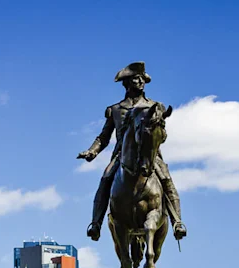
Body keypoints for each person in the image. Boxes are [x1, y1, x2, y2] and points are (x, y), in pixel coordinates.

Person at [78, 61, 186, 242]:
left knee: (166, 179)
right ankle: (96, 224)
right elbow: (104, 137)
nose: (141, 82)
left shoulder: (155, 106)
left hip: (149, 156)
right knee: (105, 179)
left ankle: (177, 222)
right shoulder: (115, 109)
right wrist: (92, 151)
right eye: (137, 78)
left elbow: (162, 134)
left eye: (143, 78)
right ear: (127, 83)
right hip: (122, 156)